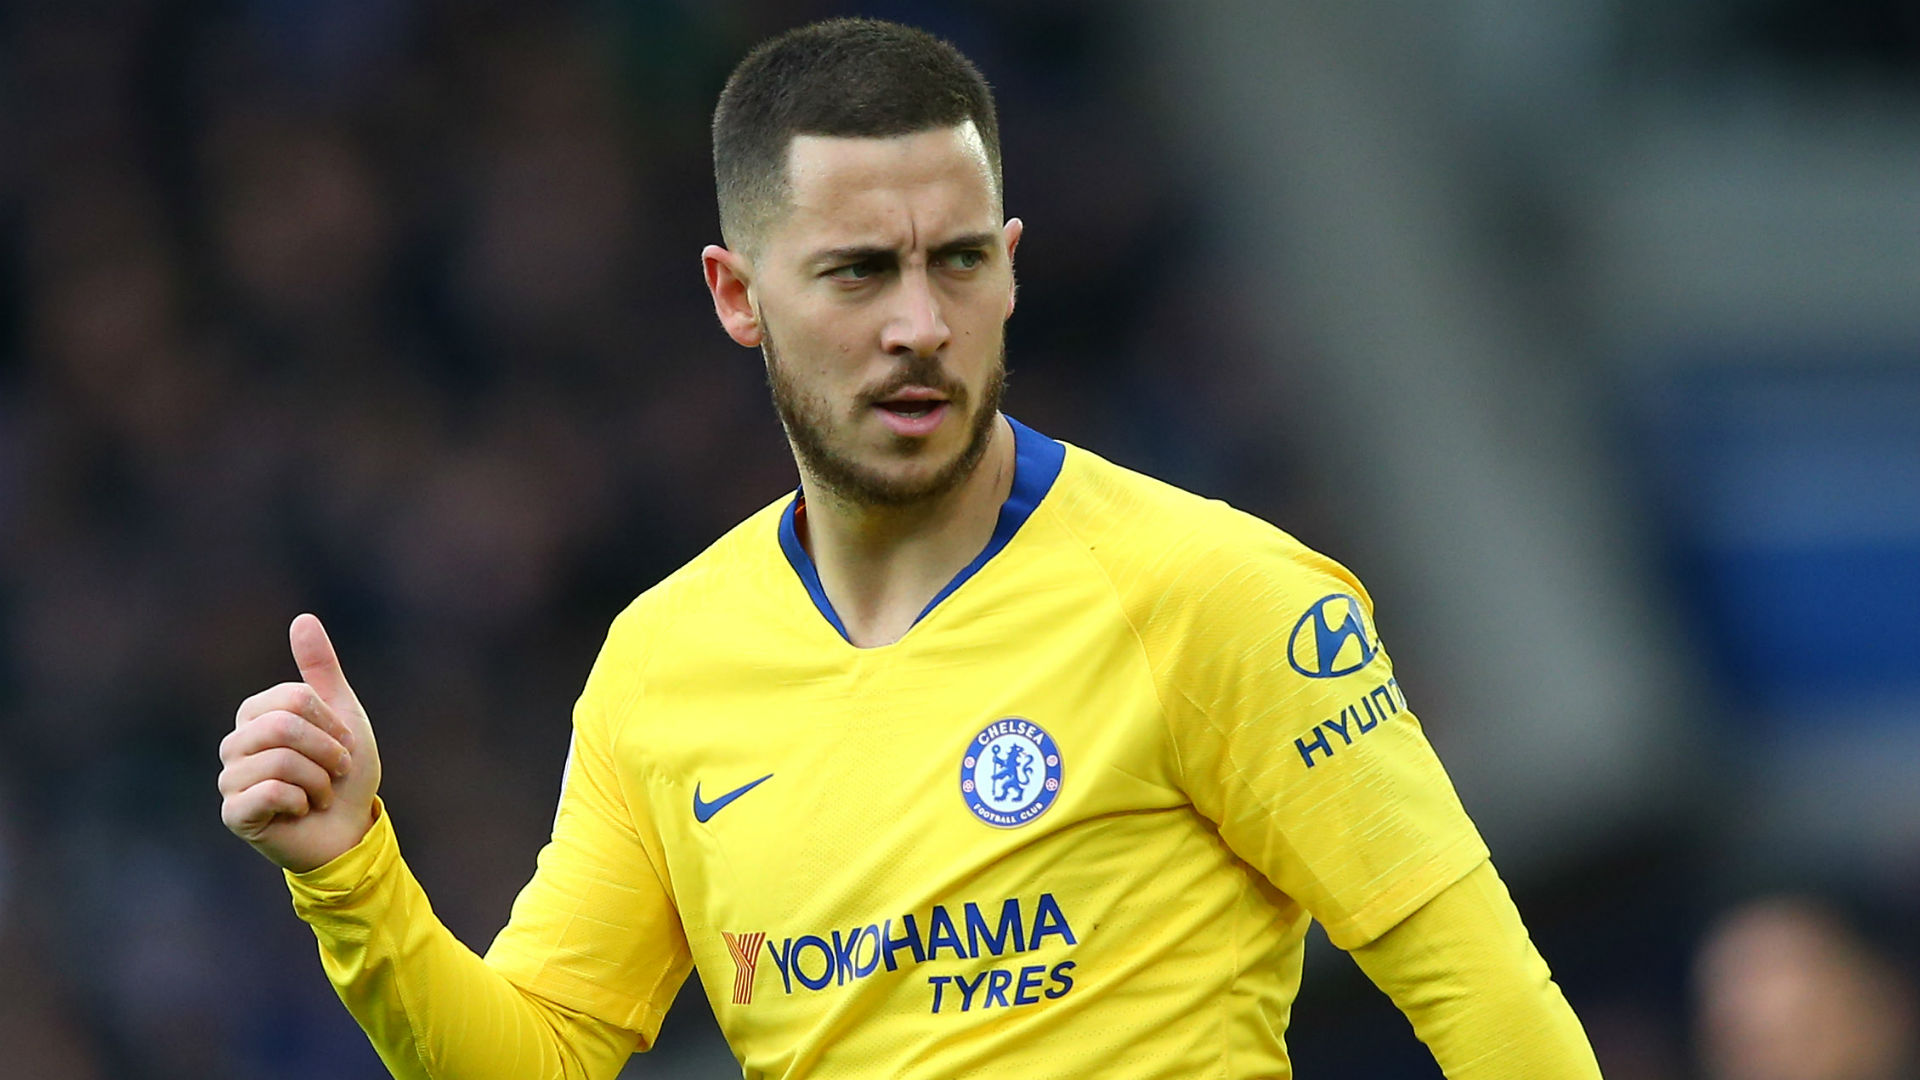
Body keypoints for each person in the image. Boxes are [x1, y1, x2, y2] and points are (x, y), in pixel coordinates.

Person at [216, 17, 1601, 1079]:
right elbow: (538, 1055)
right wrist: (354, 878)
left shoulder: (1215, 594)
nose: (921, 326)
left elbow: (1490, 1004)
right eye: (860, 271)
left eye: (960, 262)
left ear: (1011, 266)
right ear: (738, 296)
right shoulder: (661, 668)